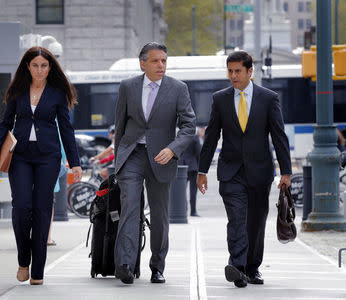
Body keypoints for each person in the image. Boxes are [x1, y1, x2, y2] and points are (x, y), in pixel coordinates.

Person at [197, 51, 292, 288]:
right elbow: (211, 137)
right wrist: (202, 170)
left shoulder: (268, 98)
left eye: (238, 71)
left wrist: (286, 172)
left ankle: (253, 268)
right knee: (237, 220)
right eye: (230, 71)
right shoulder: (220, 99)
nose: (233, 76)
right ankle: (237, 267)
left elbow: (279, 137)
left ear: (250, 71)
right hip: (231, 172)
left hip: (260, 171)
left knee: (256, 221)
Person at [0, 46, 82, 286]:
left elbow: (66, 129)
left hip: (48, 157)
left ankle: (38, 270)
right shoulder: (17, 91)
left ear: (50, 67)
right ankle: (24, 260)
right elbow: (4, 123)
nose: (40, 70)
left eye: (44, 65)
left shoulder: (57, 94)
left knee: (42, 210)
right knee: (21, 207)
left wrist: (75, 163)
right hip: (20, 155)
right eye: (35, 65)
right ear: (27, 67)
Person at [114, 42, 196, 285]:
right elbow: (120, 125)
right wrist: (119, 160)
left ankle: (157, 266)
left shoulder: (178, 89)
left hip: (162, 157)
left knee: (160, 215)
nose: (161, 65)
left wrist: (173, 149)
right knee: (129, 207)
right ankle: (125, 265)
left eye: (164, 61)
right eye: (155, 61)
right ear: (143, 63)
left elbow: (189, 126)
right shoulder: (127, 87)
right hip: (132, 155)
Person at [178, 127, 202, 216]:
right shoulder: (194, 137)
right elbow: (199, 152)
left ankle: (183, 210)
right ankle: (193, 211)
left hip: (181, 166)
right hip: (193, 166)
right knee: (193, 191)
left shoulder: (179, 137)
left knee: (181, 191)